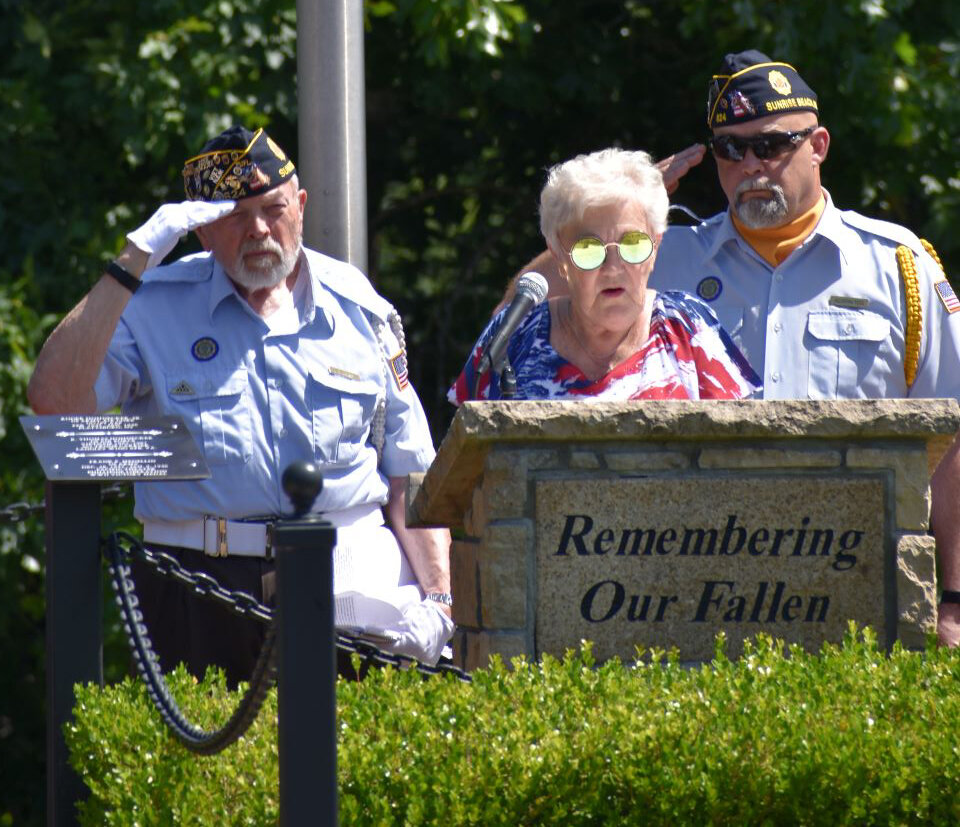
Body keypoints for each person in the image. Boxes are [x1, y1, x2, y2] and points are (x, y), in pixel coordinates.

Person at [498, 50, 960, 647]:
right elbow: (515, 322)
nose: (749, 166)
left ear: (817, 145)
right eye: (729, 149)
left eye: (770, 145)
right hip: (692, 586)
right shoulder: (663, 257)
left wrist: (953, 598)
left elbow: (953, 441)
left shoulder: (897, 265)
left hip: (861, 580)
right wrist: (614, 212)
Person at [28, 125, 455, 682]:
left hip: (351, 579)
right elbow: (55, 402)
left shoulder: (357, 306)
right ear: (202, 230)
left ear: (299, 206)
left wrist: (439, 602)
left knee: (350, 765)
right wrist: (132, 261)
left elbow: (410, 473)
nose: (257, 230)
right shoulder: (153, 305)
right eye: (232, 216)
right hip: (199, 586)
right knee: (207, 765)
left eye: (273, 209)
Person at [450, 148, 759, 404]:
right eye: (589, 249)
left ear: (656, 247)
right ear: (559, 256)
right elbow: (466, 461)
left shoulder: (688, 329)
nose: (613, 267)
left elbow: (738, 451)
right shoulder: (514, 337)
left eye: (633, 244)